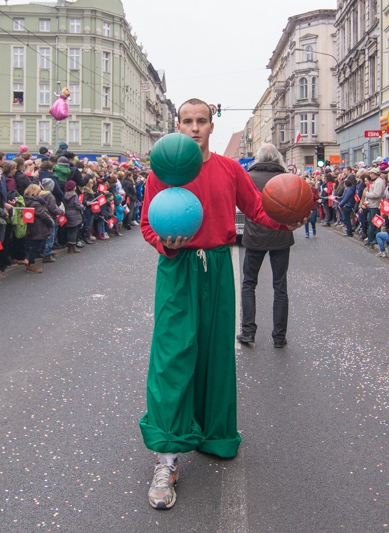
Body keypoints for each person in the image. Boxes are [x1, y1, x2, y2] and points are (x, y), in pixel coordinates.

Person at [139, 98, 302, 510]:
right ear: (177, 125)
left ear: (213, 125)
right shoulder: (164, 171)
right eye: (187, 121)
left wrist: (288, 217)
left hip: (216, 265)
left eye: (202, 121)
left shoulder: (230, 169)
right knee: (172, 357)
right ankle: (167, 457)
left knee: (215, 355)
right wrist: (165, 243)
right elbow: (146, 223)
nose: (195, 128)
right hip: (176, 269)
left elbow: (259, 209)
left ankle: (214, 434)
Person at [236, 143, 294, 349]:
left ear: (258, 158)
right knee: (280, 286)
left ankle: (248, 331)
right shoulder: (287, 179)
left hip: (255, 237)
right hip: (281, 237)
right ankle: (279, 337)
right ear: (277, 158)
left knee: (249, 284)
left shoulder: (248, 178)